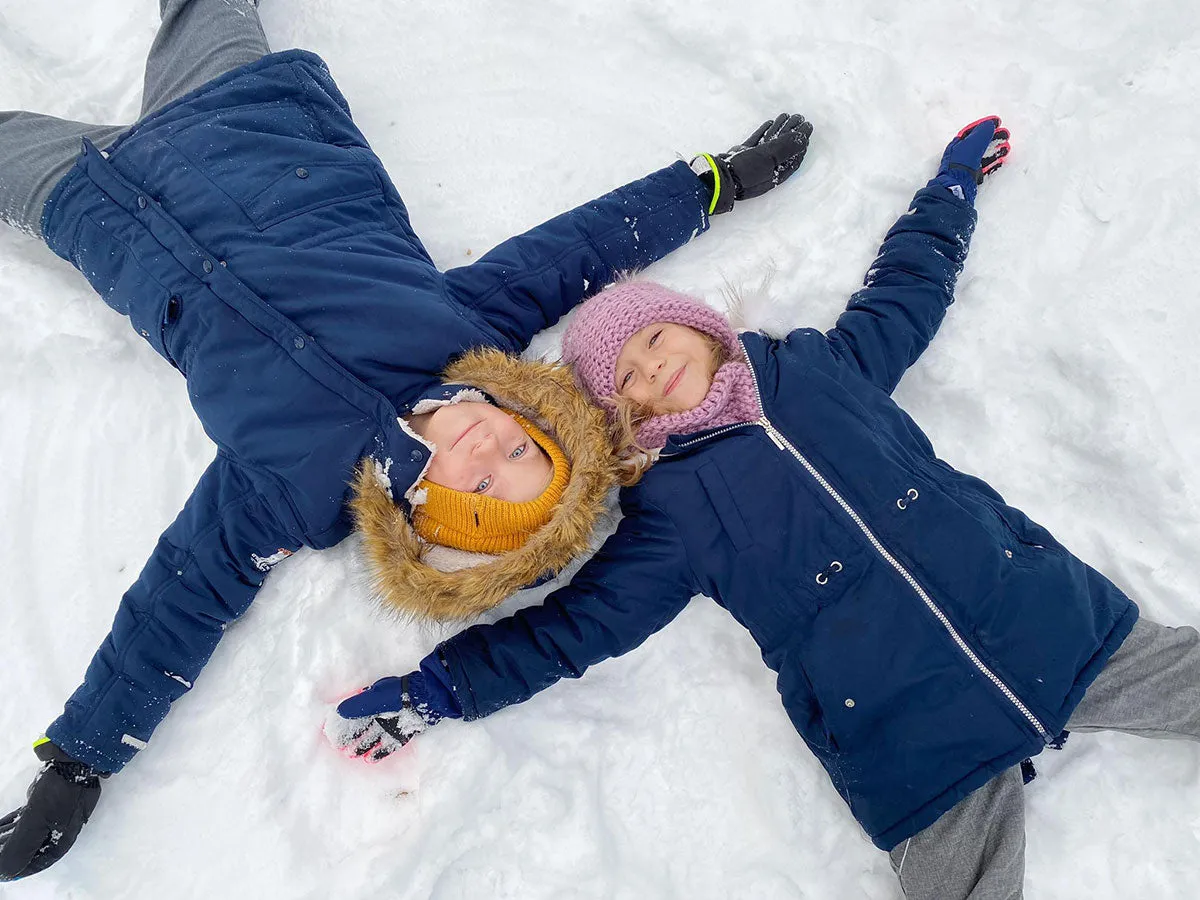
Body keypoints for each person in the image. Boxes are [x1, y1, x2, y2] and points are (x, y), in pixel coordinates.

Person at [0, 0, 815, 881]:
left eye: (483, 486)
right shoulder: (465, 332)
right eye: (523, 452)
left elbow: (181, 602)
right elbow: (575, 249)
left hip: (93, 207)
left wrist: (79, 762)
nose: (490, 448)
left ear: (433, 519)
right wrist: (712, 184)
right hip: (245, 114)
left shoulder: (291, 492)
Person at [326, 117, 1200, 898]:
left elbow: (906, 294)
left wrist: (950, 191)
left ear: (698, 327)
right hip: (905, 733)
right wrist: (440, 690)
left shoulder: (825, 368)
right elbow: (574, 629)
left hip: (1044, 621)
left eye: (655, 337)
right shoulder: (670, 517)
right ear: (622, 417)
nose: (652, 367)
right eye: (627, 377)